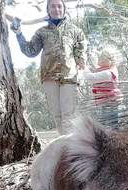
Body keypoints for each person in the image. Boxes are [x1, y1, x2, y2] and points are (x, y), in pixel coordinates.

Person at [10, 0, 87, 135]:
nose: (56, 9)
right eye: (53, 6)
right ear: (48, 9)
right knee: (57, 115)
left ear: (64, 9)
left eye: (59, 6)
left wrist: (82, 58)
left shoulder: (75, 31)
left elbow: (82, 48)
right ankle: (64, 146)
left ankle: (71, 148)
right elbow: (30, 51)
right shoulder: (42, 32)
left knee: (69, 114)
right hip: (49, 76)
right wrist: (19, 34)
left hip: (69, 76)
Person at [80, 48, 124, 128]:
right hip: (105, 102)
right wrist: (91, 55)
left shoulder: (108, 73)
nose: (98, 61)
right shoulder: (107, 68)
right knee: (104, 123)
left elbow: (90, 78)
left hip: (111, 103)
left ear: (109, 61)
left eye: (101, 59)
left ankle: (116, 138)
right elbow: (96, 63)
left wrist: (84, 69)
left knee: (113, 125)